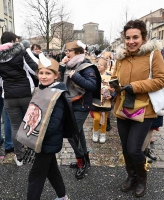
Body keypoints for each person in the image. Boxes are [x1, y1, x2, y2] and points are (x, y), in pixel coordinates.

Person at [111, 20, 164, 197]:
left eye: (135, 37)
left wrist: (135, 86)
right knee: (126, 148)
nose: (131, 41)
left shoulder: (153, 54)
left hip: (145, 110)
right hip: (122, 109)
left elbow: (161, 80)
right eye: (128, 38)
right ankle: (131, 176)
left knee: (135, 149)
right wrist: (110, 89)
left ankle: (142, 179)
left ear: (143, 37)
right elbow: (114, 78)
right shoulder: (121, 56)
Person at [23, 54, 77, 200]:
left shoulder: (57, 94)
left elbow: (53, 125)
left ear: (56, 76)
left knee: (36, 175)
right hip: (41, 140)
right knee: (51, 170)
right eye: (41, 73)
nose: (44, 76)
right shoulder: (40, 89)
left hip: (47, 140)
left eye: (48, 73)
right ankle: (62, 196)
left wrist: (33, 133)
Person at [0, 31, 38, 166]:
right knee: (30, 122)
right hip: (26, 93)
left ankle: (19, 157)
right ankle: (33, 149)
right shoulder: (21, 52)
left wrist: (4, 83)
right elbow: (35, 69)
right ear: (13, 40)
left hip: (9, 96)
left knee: (15, 126)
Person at [59, 40, 101, 179]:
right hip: (70, 104)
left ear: (77, 52)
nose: (66, 53)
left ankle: (81, 160)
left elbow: (91, 86)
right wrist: (61, 65)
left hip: (81, 105)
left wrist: (75, 76)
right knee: (78, 133)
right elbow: (59, 81)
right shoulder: (70, 64)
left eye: (68, 51)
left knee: (71, 133)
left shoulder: (86, 66)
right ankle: (84, 159)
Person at [91, 52, 113, 143]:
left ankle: (103, 134)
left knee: (104, 119)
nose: (99, 66)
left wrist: (112, 95)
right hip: (96, 101)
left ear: (105, 67)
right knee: (96, 118)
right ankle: (95, 132)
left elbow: (114, 88)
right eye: (98, 64)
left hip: (106, 102)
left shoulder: (109, 76)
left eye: (101, 65)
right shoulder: (94, 75)